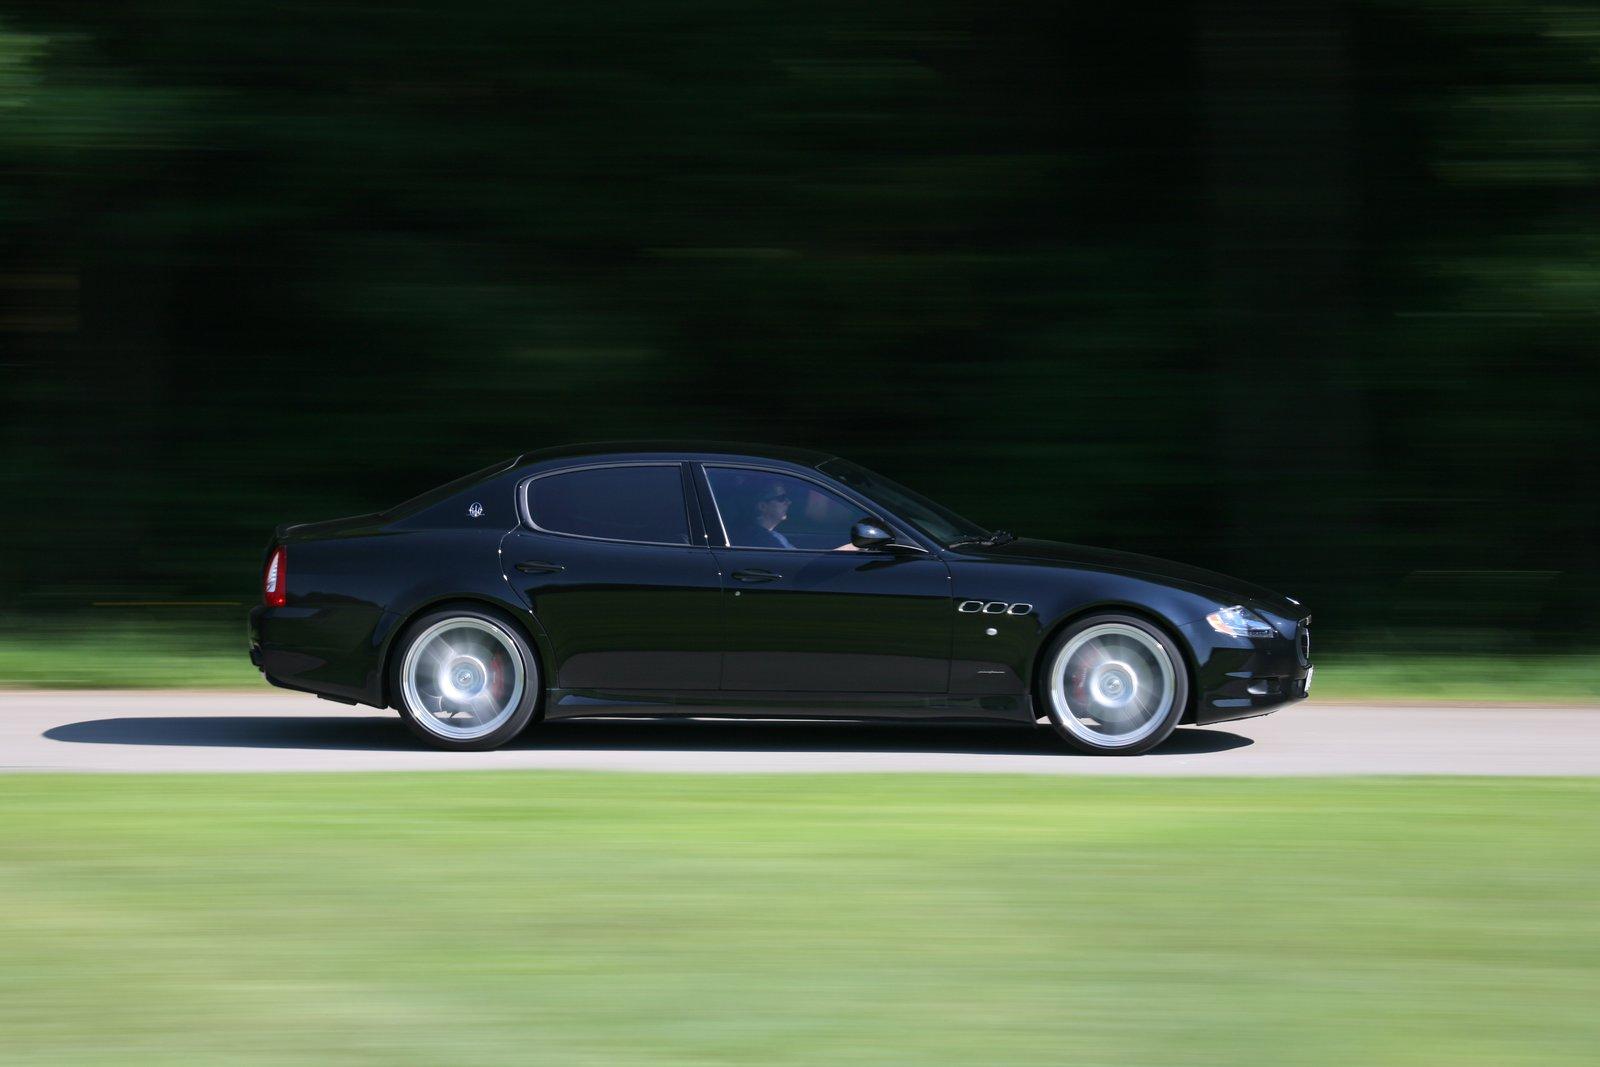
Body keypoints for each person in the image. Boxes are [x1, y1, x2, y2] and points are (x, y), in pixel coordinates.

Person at [730, 479, 858, 551]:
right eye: (781, 498)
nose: (788, 502)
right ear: (762, 506)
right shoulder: (764, 540)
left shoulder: (764, 535)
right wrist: (853, 547)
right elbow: (806, 568)